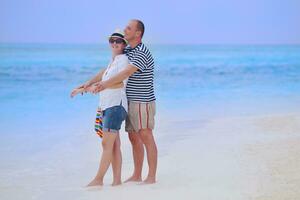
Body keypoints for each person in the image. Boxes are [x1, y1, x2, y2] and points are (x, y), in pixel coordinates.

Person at [91, 19, 158, 184]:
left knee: (146, 136)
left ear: (138, 33)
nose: (125, 30)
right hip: (129, 101)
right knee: (134, 138)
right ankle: (137, 174)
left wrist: (104, 84)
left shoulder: (142, 52)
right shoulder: (128, 50)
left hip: (143, 101)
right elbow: (112, 67)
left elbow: (125, 73)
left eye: (128, 28)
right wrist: (89, 82)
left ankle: (151, 177)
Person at [70, 29, 129, 186]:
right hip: (108, 105)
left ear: (124, 44)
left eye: (118, 41)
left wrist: (93, 87)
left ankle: (99, 179)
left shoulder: (123, 60)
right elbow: (103, 74)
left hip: (116, 105)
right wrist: (86, 84)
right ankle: (117, 181)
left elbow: (120, 82)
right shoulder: (114, 61)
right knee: (114, 145)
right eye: (112, 40)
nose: (115, 43)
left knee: (106, 144)